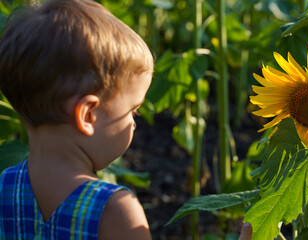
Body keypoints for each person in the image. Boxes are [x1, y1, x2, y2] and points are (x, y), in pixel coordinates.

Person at [0, 0, 252, 239]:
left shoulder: (4, 187)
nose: (134, 123)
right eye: (133, 111)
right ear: (88, 115)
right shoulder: (114, 211)